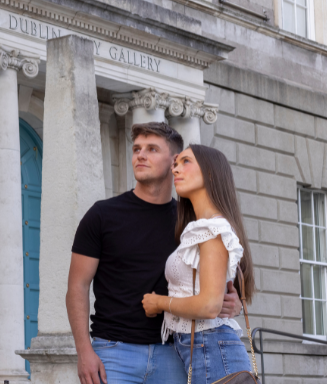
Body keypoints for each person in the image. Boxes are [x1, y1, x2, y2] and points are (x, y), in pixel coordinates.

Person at [67, 123, 243, 384]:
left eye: (151, 149)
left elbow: (224, 285)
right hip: (114, 353)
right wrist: (84, 351)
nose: (140, 155)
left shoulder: (192, 224)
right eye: (136, 148)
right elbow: (77, 286)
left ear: (174, 162)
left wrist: (233, 303)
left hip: (175, 353)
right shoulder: (102, 215)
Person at [142, 144, 256, 383]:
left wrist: (158, 303)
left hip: (214, 351)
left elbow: (209, 307)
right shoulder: (200, 228)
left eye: (186, 162)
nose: (175, 170)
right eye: (175, 164)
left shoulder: (213, 230)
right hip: (205, 350)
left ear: (211, 173)